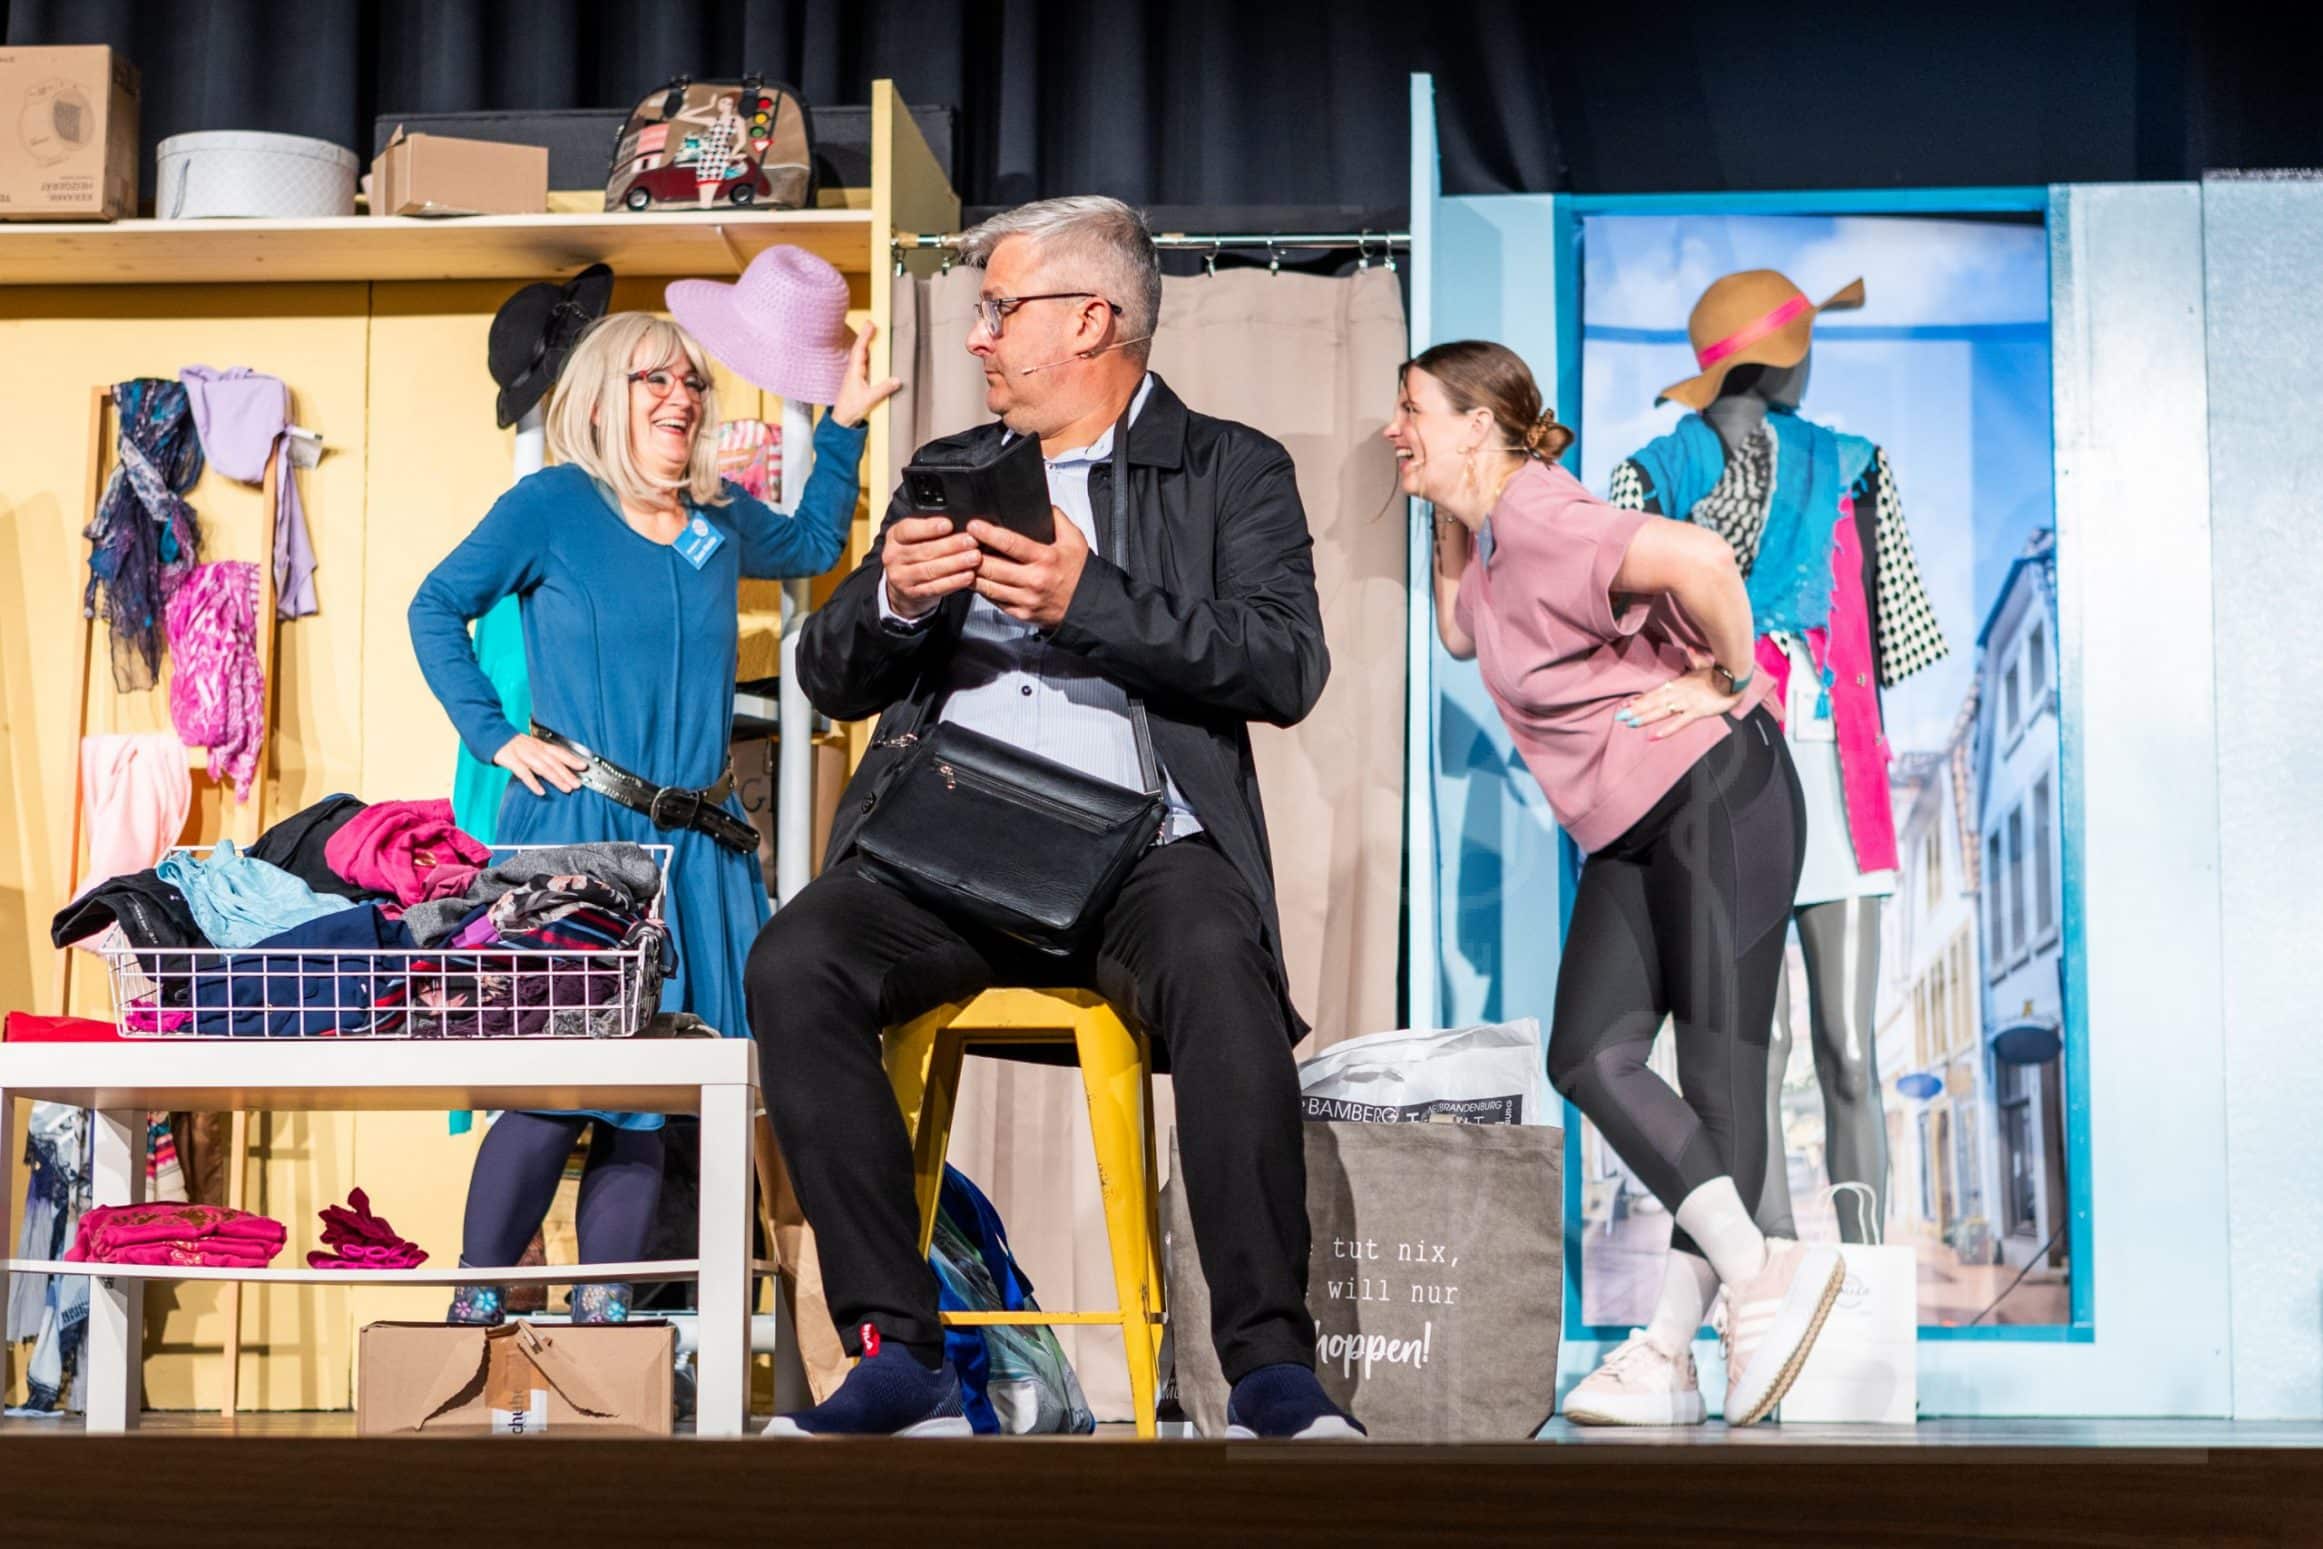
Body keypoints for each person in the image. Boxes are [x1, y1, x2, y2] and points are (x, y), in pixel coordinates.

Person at [745, 195, 1357, 1440]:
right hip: (947, 853)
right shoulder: (949, 468)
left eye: (998, 309)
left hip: (1140, 855)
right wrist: (892, 602)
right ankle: (899, 1354)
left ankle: (1267, 1370)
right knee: (794, 960)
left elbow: (1282, 663)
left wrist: (1092, 598)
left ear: (1090, 320)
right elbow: (829, 673)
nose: (977, 337)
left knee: (1220, 959)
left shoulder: (1227, 466)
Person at [409, 310, 895, 1321]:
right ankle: (470, 1314)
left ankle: (606, 1332)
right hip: (582, 840)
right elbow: (434, 605)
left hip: (699, 853)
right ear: (601, 398)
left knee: (653, 1096)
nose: (681, 398)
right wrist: (495, 736)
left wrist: (843, 425)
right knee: (557, 1089)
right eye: (654, 380)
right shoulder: (551, 505)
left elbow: (812, 542)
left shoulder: (716, 515)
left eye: (693, 382)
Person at [1388, 339, 1838, 1429]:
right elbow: (1460, 632)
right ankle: (1735, 1296)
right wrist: (1448, 507)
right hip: (1634, 824)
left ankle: (1689, 1335)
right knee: (1589, 1055)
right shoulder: (1497, 538)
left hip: (1715, 793)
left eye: (1410, 409)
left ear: (1477, 424)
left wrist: (1731, 676)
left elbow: (1702, 560)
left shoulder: (1543, 514)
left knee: (1718, 1078)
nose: (1392, 429)